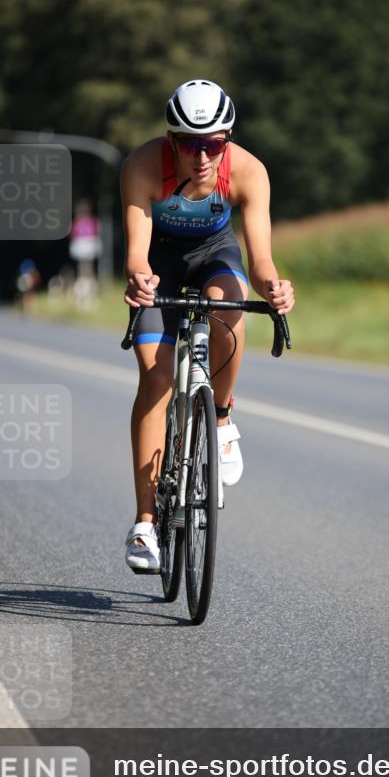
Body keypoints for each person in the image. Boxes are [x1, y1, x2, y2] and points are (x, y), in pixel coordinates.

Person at [121, 79, 294, 572]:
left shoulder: (249, 172)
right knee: (156, 380)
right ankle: (146, 524)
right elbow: (136, 252)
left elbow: (260, 259)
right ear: (171, 140)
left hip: (213, 256)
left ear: (228, 139)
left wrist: (274, 287)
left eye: (214, 145)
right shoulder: (141, 166)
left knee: (229, 308)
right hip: (159, 263)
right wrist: (139, 280)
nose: (202, 158)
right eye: (191, 145)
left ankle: (219, 418)